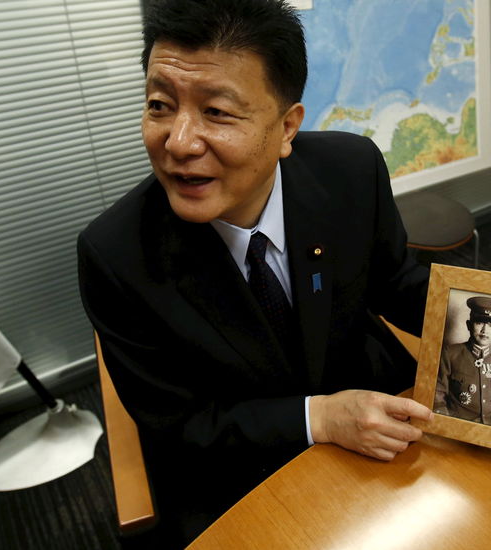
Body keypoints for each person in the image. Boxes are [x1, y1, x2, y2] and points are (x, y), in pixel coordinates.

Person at [77, 0, 433, 545]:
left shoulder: (351, 170)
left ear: (287, 126)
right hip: (238, 467)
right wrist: (320, 419)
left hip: (374, 410)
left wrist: (473, 319)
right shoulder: (115, 256)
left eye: (217, 112)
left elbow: (398, 282)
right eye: (159, 105)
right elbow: (180, 428)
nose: (178, 142)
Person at [435, 296, 491, 424]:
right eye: (479, 322)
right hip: (460, 427)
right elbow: (437, 395)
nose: (484, 330)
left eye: (490, 324)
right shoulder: (450, 354)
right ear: (469, 325)